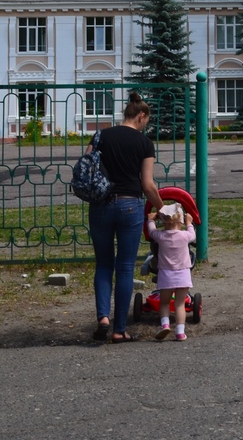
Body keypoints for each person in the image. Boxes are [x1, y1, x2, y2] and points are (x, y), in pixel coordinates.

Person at [90, 92, 162, 343]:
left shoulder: (101, 135)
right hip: (130, 206)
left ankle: (103, 318)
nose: (146, 125)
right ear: (141, 116)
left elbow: (87, 166)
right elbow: (148, 184)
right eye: (147, 121)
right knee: (124, 268)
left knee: (103, 264)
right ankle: (120, 330)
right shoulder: (144, 143)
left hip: (100, 205)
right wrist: (161, 208)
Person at [147, 200, 196, 341]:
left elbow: (151, 231)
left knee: (164, 302)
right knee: (180, 304)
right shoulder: (185, 236)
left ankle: (165, 325)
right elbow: (192, 234)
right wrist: (189, 222)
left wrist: (151, 219)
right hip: (183, 275)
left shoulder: (161, 237)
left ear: (163, 222)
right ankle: (180, 332)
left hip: (166, 274)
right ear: (180, 221)